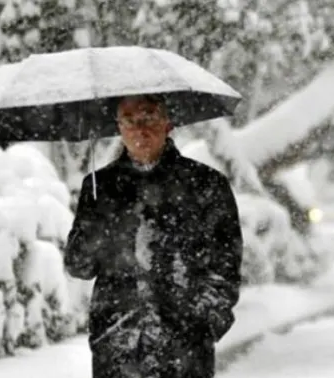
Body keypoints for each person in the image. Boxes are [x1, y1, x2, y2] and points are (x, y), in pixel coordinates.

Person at [64, 94, 243, 378]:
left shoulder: (205, 185)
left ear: (167, 122)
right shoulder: (100, 188)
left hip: (185, 350)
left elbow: (225, 265)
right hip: (117, 346)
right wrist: (96, 224)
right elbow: (79, 266)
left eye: (148, 117)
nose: (139, 129)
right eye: (129, 121)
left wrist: (203, 322)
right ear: (118, 127)